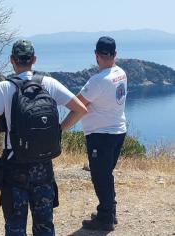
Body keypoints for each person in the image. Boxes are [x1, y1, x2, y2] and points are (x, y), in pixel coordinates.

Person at [0, 39, 87, 236]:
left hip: (14, 165)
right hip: (43, 166)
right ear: (34, 60)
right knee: (45, 226)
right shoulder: (49, 83)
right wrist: (59, 130)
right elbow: (80, 109)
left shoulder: (3, 88)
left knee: (15, 227)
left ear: (12, 60)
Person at [77, 36, 127, 231]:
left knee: (100, 176)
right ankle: (110, 212)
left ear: (96, 55)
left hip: (101, 135)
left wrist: (59, 129)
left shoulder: (97, 80)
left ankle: (105, 218)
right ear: (115, 54)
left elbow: (77, 104)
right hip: (118, 132)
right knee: (106, 174)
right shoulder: (121, 73)